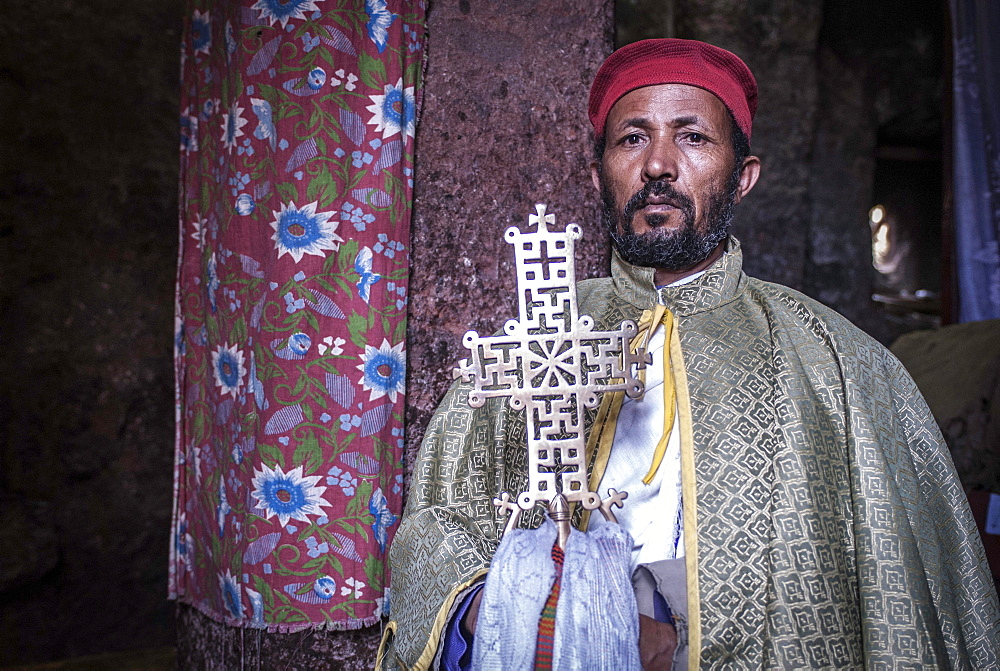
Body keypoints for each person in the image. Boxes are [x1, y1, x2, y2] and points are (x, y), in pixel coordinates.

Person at [377, 39, 1000, 670]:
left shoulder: (834, 361)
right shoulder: (536, 335)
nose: (658, 166)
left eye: (694, 138)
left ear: (743, 176)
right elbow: (437, 526)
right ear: (598, 175)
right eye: (632, 139)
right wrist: (507, 612)